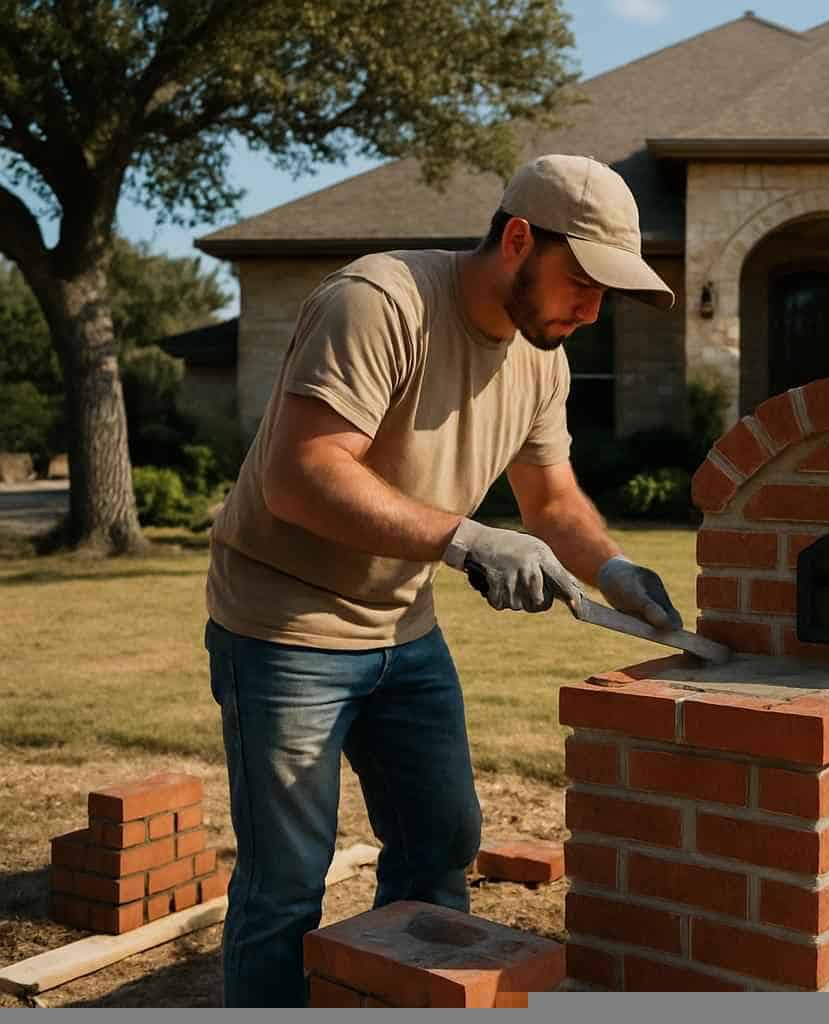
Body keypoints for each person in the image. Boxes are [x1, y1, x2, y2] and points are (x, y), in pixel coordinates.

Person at [201, 154, 682, 1006]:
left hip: (403, 632)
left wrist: (613, 570)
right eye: (581, 281)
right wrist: (466, 539)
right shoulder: (380, 302)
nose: (592, 310)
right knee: (287, 879)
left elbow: (553, 497)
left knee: (442, 840)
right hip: (284, 628)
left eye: (605, 293)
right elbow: (301, 473)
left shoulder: (544, 359)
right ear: (519, 239)